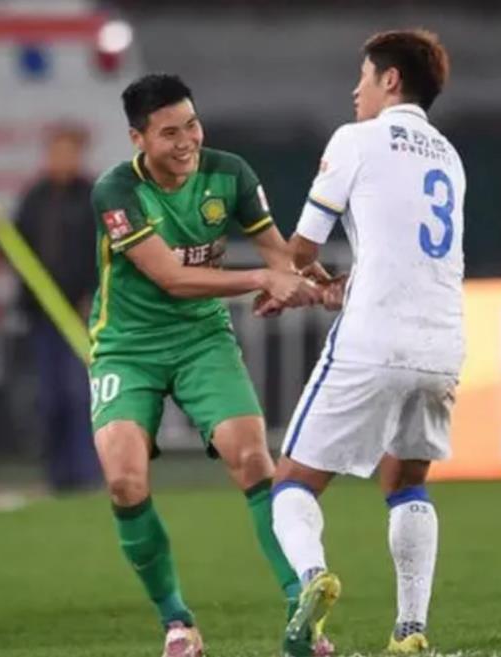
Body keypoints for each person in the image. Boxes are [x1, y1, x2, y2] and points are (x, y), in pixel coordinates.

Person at [86, 73, 327, 657]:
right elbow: (170, 276)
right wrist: (261, 279)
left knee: (253, 459)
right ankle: (177, 622)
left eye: (192, 125)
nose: (187, 141)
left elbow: (276, 253)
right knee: (123, 480)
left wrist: (307, 280)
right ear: (138, 139)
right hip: (126, 346)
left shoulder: (230, 172)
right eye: (169, 132)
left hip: (202, 340)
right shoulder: (115, 190)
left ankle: (302, 616)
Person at [270, 30, 462, 657]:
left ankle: (312, 576)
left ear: (391, 80)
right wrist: (342, 285)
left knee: (292, 483)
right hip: (442, 342)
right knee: (406, 484)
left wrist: (309, 278)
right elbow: (408, 254)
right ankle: (410, 630)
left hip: (372, 339)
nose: (356, 90)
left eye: (364, 76)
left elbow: (302, 248)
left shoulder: (356, 139)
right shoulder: (449, 157)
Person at [16, 124, 100, 492]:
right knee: (49, 397)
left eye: (68, 152)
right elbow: (16, 244)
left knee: (78, 394)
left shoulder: (93, 197)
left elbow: (104, 253)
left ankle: (86, 471)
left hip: (81, 314)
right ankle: (56, 472)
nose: (61, 160)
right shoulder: (34, 198)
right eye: (56, 152)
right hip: (42, 314)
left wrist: (93, 296)